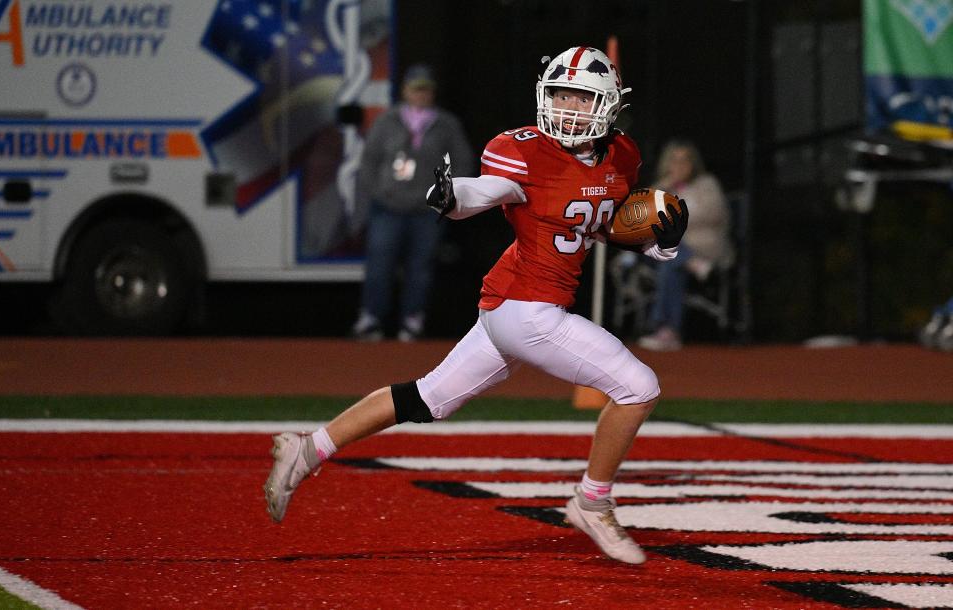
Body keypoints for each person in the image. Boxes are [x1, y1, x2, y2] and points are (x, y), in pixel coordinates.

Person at [265, 46, 689, 565]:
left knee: (426, 399)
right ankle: (591, 501)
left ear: (607, 105)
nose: (568, 107)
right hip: (527, 310)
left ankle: (306, 449)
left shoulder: (622, 154)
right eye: (561, 94)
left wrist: (653, 243)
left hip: (510, 303)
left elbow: (595, 221)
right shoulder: (524, 152)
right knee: (639, 386)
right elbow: (486, 190)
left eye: (581, 97)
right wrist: (452, 196)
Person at [350, 63, 475, 342]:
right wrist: (378, 192)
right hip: (388, 208)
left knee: (421, 267)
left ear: (433, 93)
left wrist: (446, 196)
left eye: (426, 90)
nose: (421, 95)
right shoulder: (387, 120)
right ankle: (371, 318)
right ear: (405, 91)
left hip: (426, 211)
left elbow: (463, 161)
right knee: (379, 264)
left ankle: (412, 320)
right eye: (416, 89)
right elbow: (369, 161)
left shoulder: (445, 124)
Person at [636, 139, 733, 351]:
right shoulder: (661, 187)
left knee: (670, 263)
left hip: (703, 248)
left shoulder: (707, 184)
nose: (680, 166)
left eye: (685, 161)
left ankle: (666, 331)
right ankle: (691, 263)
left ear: (693, 164)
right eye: (675, 161)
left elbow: (714, 214)